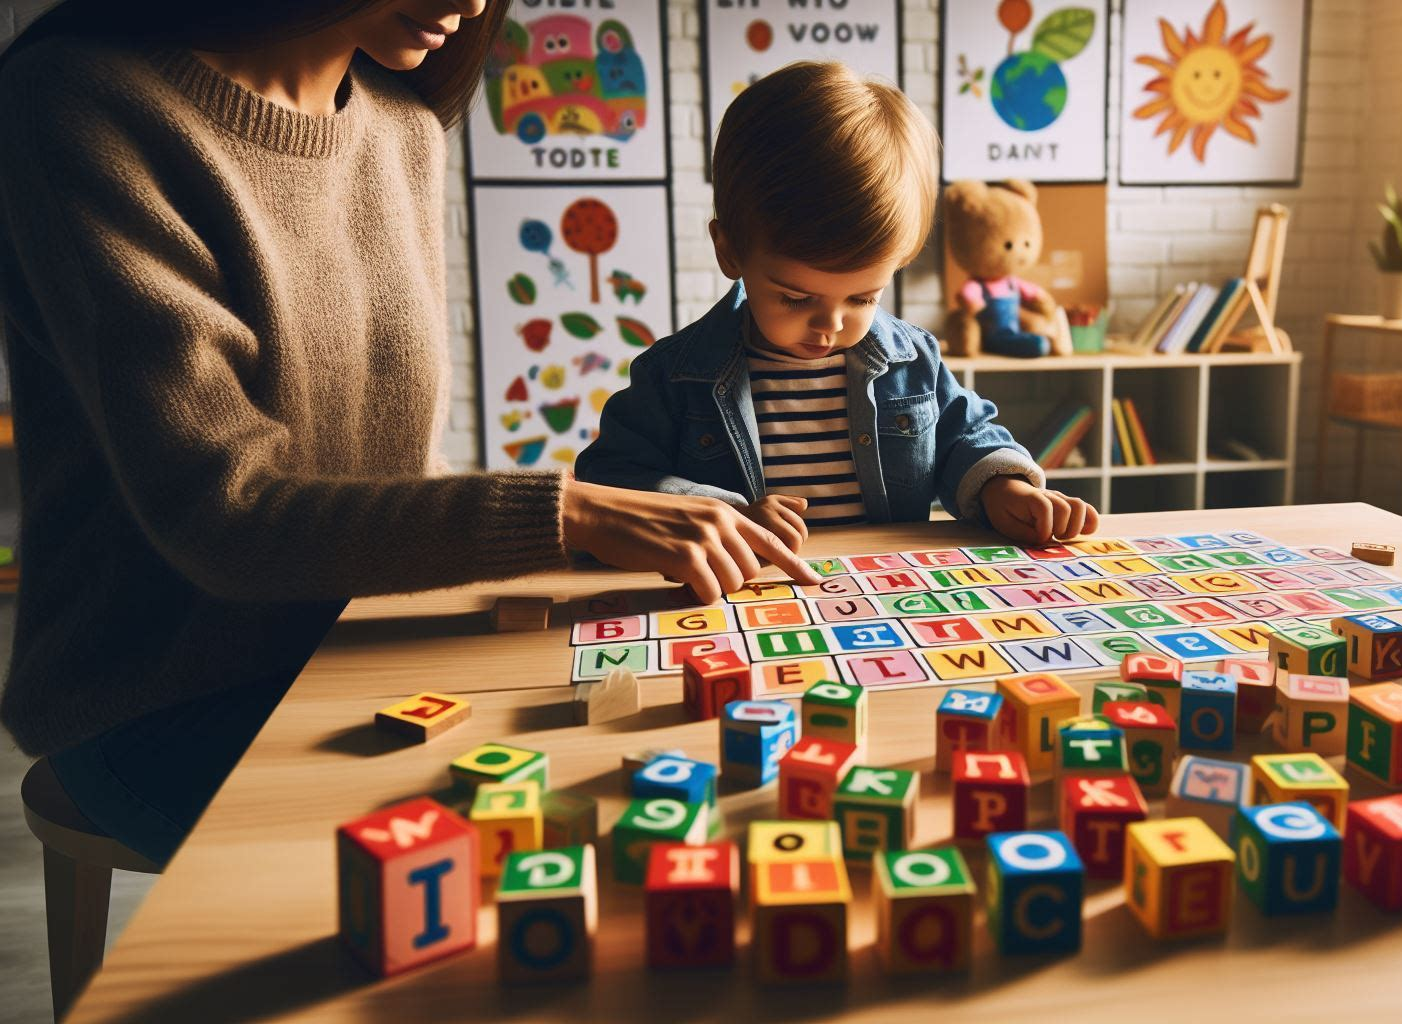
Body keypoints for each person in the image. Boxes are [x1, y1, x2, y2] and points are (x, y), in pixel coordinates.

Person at [0, 0, 816, 866]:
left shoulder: (403, 127)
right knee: (500, 849)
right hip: (156, 696)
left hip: (363, 645)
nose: (469, 4)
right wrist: (568, 515)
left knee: (648, 778)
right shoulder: (77, 99)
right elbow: (220, 514)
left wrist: (616, 531)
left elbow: (397, 470)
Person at [575, 61, 1099, 549]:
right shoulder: (675, 376)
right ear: (730, 250)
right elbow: (612, 482)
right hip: (744, 602)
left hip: (886, 599)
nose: (830, 324)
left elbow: (965, 435)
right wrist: (723, 513)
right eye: (795, 297)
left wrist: (1002, 487)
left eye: (863, 297)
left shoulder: (912, 360)